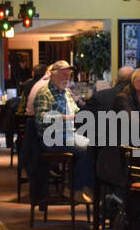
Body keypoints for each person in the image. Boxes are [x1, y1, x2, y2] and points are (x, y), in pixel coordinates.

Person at [33, 60, 96, 203]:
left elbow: (77, 112)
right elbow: (41, 118)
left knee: (96, 146)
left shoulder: (66, 94)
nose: (66, 78)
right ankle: (75, 189)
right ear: (52, 75)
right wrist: (68, 117)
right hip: (51, 137)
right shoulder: (45, 93)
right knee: (87, 148)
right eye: (63, 75)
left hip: (67, 134)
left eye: (68, 75)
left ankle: (84, 187)